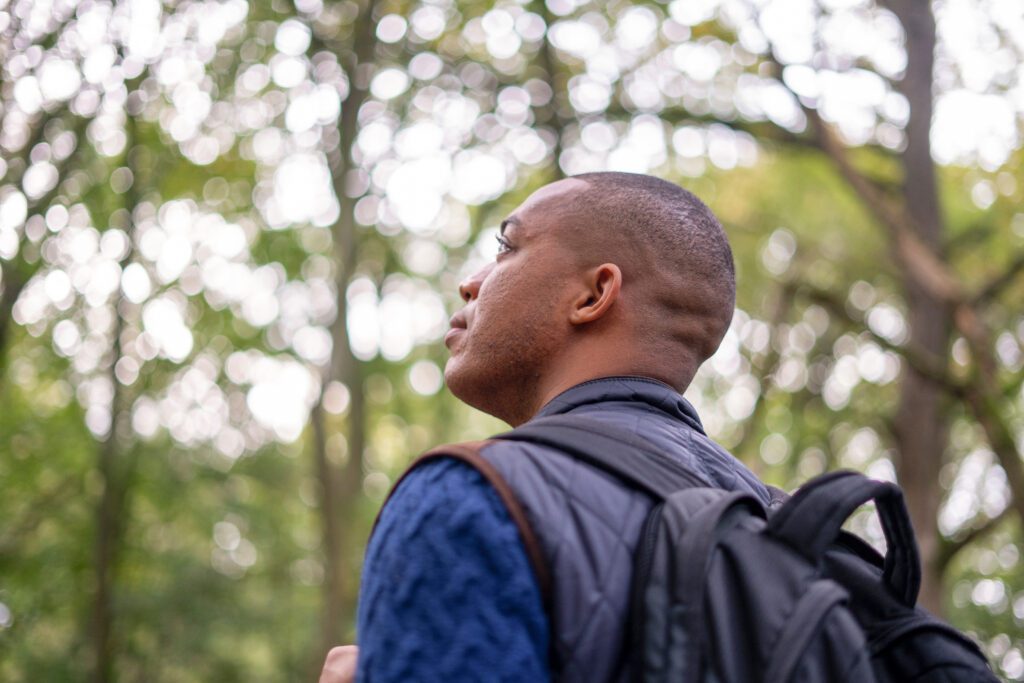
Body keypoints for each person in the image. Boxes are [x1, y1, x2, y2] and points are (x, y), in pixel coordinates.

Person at [321, 172, 772, 682]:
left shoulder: (469, 497)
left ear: (593, 295)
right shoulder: (779, 526)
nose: (470, 283)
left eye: (507, 248)